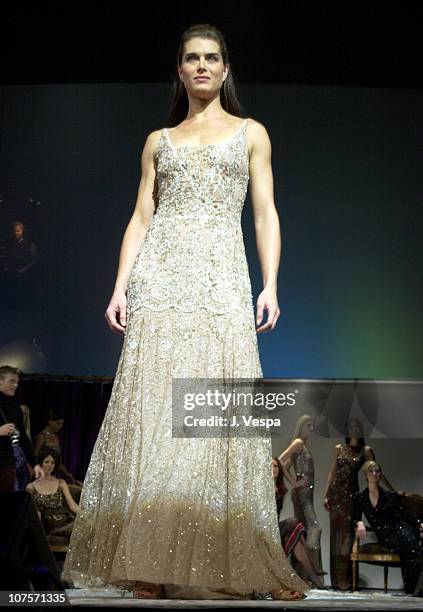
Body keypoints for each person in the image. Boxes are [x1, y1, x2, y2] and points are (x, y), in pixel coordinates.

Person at [62, 23, 308, 601]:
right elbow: (141, 217)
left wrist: (271, 283)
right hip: (161, 283)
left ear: (225, 68)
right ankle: (148, 563)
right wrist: (120, 287)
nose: (202, 66)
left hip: (222, 283)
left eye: (212, 58)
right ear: (180, 69)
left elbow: (265, 213)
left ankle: (250, 559)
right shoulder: (158, 140)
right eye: (192, 58)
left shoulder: (251, 133)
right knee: (155, 415)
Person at [323, 418, 393, 590]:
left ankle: (346, 581)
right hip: (336, 498)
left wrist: (392, 490)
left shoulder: (365, 450)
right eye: (350, 427)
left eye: (356, 427)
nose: (353, 429)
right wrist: (326, 495)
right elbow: (332, 473)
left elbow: (376, 471)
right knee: (336, 538)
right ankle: (337, 582)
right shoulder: (339, 448)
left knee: (347, 537)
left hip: (351, 498)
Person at [353, 461, 423, 595]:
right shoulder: (360, 497)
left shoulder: (389, 496)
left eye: (377, 471)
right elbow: (355, 517)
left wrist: (420, 523)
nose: (374, 474)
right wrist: (359, 523)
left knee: (411, 545)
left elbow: (405, 514)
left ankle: (413, 591)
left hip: (399, 527)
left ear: (380, 475)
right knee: (410, 546)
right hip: (385, 535)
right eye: (371, 471)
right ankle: (413, 589)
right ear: (365, 476)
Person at [279, 414, 325, 576]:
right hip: (302, 494)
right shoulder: (298, 443)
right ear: (301, 426)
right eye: (308, 425)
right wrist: (294, 482)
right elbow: (279, 462)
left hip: (305, 494)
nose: (311, 429)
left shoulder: (302, 446)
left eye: (312, 426)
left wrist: (294, 481)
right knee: (315, 528)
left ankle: (302, 574)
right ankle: (315, 570)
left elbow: (286, 464)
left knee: (302, 532)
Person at [272, 457, 326, 588]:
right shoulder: (260, 488)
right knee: (294, 524)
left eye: (276, 467)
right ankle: (314, 573)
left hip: (275, 528)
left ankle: (313, 576)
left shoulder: (281, 489)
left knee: (297, 534)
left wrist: (285, 471)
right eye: (270, 466)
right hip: (265, 530)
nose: (273, 469)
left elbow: (292, 482)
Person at [0, 365, 44, 492]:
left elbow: (23, 439)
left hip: (7, 465)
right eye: (11, 381)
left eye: (17, 382)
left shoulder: (15, 408)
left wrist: (34, 464)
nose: (15, 385)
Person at [26, 447, 79, 545]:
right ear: (41, 463)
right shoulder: (31, 487)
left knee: (85, 523)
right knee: (80, 526)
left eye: (52, 463)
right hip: (51, 527)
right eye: (46, 462)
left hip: (67, 522)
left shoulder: (61, 483)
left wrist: (87, 515)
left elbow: (72, 505)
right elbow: (34, 514)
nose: (49, 465)